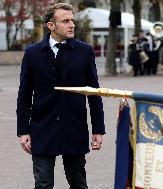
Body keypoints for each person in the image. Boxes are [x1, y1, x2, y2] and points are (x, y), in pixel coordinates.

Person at [16, 3, 105, 188]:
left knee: (78, 184)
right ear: (51, 25)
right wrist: (23, 130)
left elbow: (94, 93)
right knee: (43, 184)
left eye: (72, 20)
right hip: (41, 129)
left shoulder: (84, 52)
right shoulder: (32, 54)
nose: (72, 24)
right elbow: (24, 95)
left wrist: (98, 129)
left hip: (74, 128)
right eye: (66, 21)